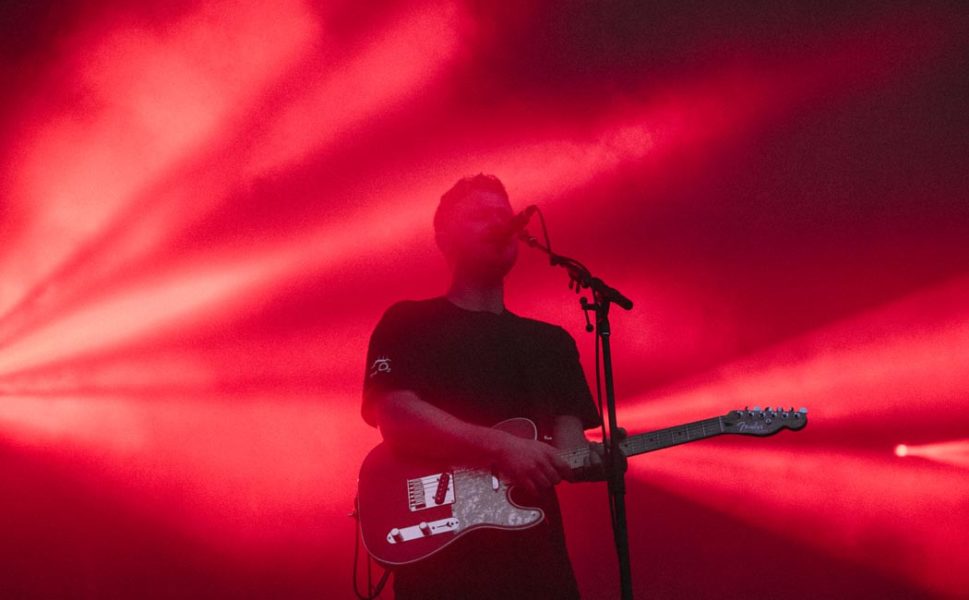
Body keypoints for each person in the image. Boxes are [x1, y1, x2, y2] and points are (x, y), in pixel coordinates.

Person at [361, 174, 603, 599]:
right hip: (442, 567)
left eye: (503, 215)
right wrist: (502, 446)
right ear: (443, 238)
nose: (497, 223)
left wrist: (602, 459)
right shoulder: (408, 322)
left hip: (538, 565)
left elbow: (572, 451)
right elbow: (396, 416)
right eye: (479, 215)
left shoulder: (552, 343)